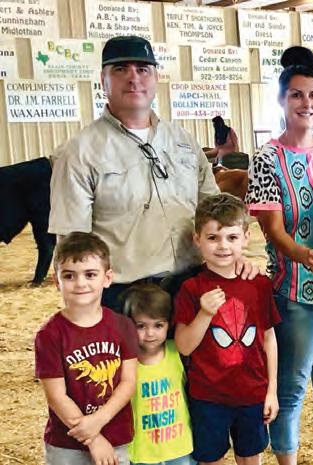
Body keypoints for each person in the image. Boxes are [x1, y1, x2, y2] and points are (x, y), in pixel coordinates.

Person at [48, 35, 220, 313]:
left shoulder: (183, 141)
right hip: (123, 297)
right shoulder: (79, 152)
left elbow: (214, 211)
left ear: (156, 77)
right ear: (103, 80)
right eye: (120, 69)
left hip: (192, 288)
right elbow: (72, 239)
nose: (133, 78)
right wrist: (82, 311)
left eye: (143, 69)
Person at [245, 46, 313, 465]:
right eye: (296, 95)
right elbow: (273, 231)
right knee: (291, 387)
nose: (306, 103)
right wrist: (305, 256)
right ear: (281, 100)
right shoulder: (266, 158)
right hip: (294, 290)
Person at [174, 193, 280, 465]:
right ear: (197, 240)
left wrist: (271, 391)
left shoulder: (259, 285)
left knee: (250, 455)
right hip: (208, 397)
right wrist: (204, 314)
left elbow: (269, 338)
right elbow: (184, 346)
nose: (223, 246)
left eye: (232, 237)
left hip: (252, 393)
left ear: (246, 238)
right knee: (210, 457)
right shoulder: (191, 289)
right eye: (213, 238)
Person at [34, 232, 138, 465]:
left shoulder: (123, 326)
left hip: (115, 437)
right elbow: (56, 396)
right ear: (57, 281)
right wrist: (93, 439)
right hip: (67, 444)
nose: (80, 283)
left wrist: (99, 420)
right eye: (69, 275)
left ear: (107, 278)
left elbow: (128, 382)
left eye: (90, 274)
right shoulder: (49, 335)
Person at [123, 283, 195, 465]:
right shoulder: (126, 361)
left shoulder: (177, 351)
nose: (150, 333)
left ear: (169, 324)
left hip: (179, 448)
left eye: (158, 325)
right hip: (143, 452)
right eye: (141, 326)